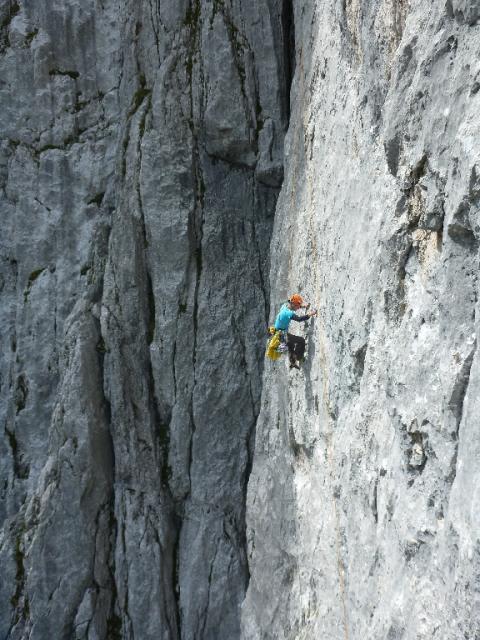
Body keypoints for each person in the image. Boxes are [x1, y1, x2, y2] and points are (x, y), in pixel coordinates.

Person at [274, 294, 317, 369]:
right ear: (293, 304)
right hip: (282, 335)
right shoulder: (288, 313)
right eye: (298, 306)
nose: (297, 308)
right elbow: (299, 319)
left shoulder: (285, 306)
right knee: (301, 341)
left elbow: (294, 306)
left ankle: (293, 362)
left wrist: (303, 306)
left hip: (278, 333)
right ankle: (299, 357)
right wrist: (310, 314)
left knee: (291, 345)